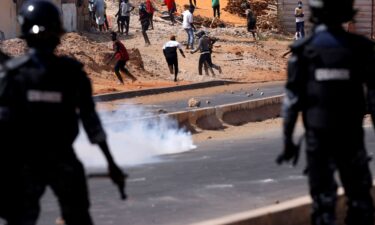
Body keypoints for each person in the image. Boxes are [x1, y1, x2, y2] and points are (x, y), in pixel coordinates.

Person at [1, 1, 128, 224]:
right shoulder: (72, 74)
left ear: (24, 35)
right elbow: (91, 122)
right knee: (78, 217)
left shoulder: (12, 75)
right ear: (58, 33)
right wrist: (111, 163)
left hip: (24, 162)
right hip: (62, 158)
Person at [276, 0, 375, 225]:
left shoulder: (303, 51)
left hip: (318, 138)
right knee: (360, 201)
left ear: (314, 13)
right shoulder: (362, 48)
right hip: (351, 136)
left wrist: (288, 141)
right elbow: (373, 99)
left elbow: (292, 101)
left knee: (322, 203)